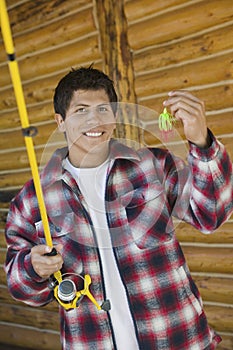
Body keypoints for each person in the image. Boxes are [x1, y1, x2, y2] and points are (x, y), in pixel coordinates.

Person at [5, 66, 233, 350]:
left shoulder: (155, 165)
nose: (94, 119)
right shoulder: (31, 199)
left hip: (180, 339)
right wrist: (33, 268)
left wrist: (202, 142)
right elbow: (21, 287)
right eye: (81, 110)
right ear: (60, 121)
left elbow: (211, 214)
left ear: (114, 116)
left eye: (103, 109)